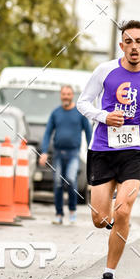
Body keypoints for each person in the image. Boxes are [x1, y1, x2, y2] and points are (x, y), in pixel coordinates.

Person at [77, 19, 140, 279]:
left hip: (134, 152)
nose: (134, 47)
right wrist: (104, 116)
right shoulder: (105, 71)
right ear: (122, 46)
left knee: (123, 212)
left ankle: (109, 274)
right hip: (103, 149)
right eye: (128, 42)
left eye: (139, 42)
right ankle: (117, 219)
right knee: (99, 218)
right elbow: (83, 102)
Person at [39, 85, 92, 226]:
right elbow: (47, 133)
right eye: (63, 94)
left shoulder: (80, 113)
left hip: (73, 153)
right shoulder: (56, 113)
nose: (66, 96)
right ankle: (58, 214)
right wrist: (44, 152)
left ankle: (73, 212)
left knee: (70, 179)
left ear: (72, 95)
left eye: (68, 94)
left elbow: (88, 132)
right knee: (57, 182)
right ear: (60, 95)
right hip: (58, 153)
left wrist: (92, 151)